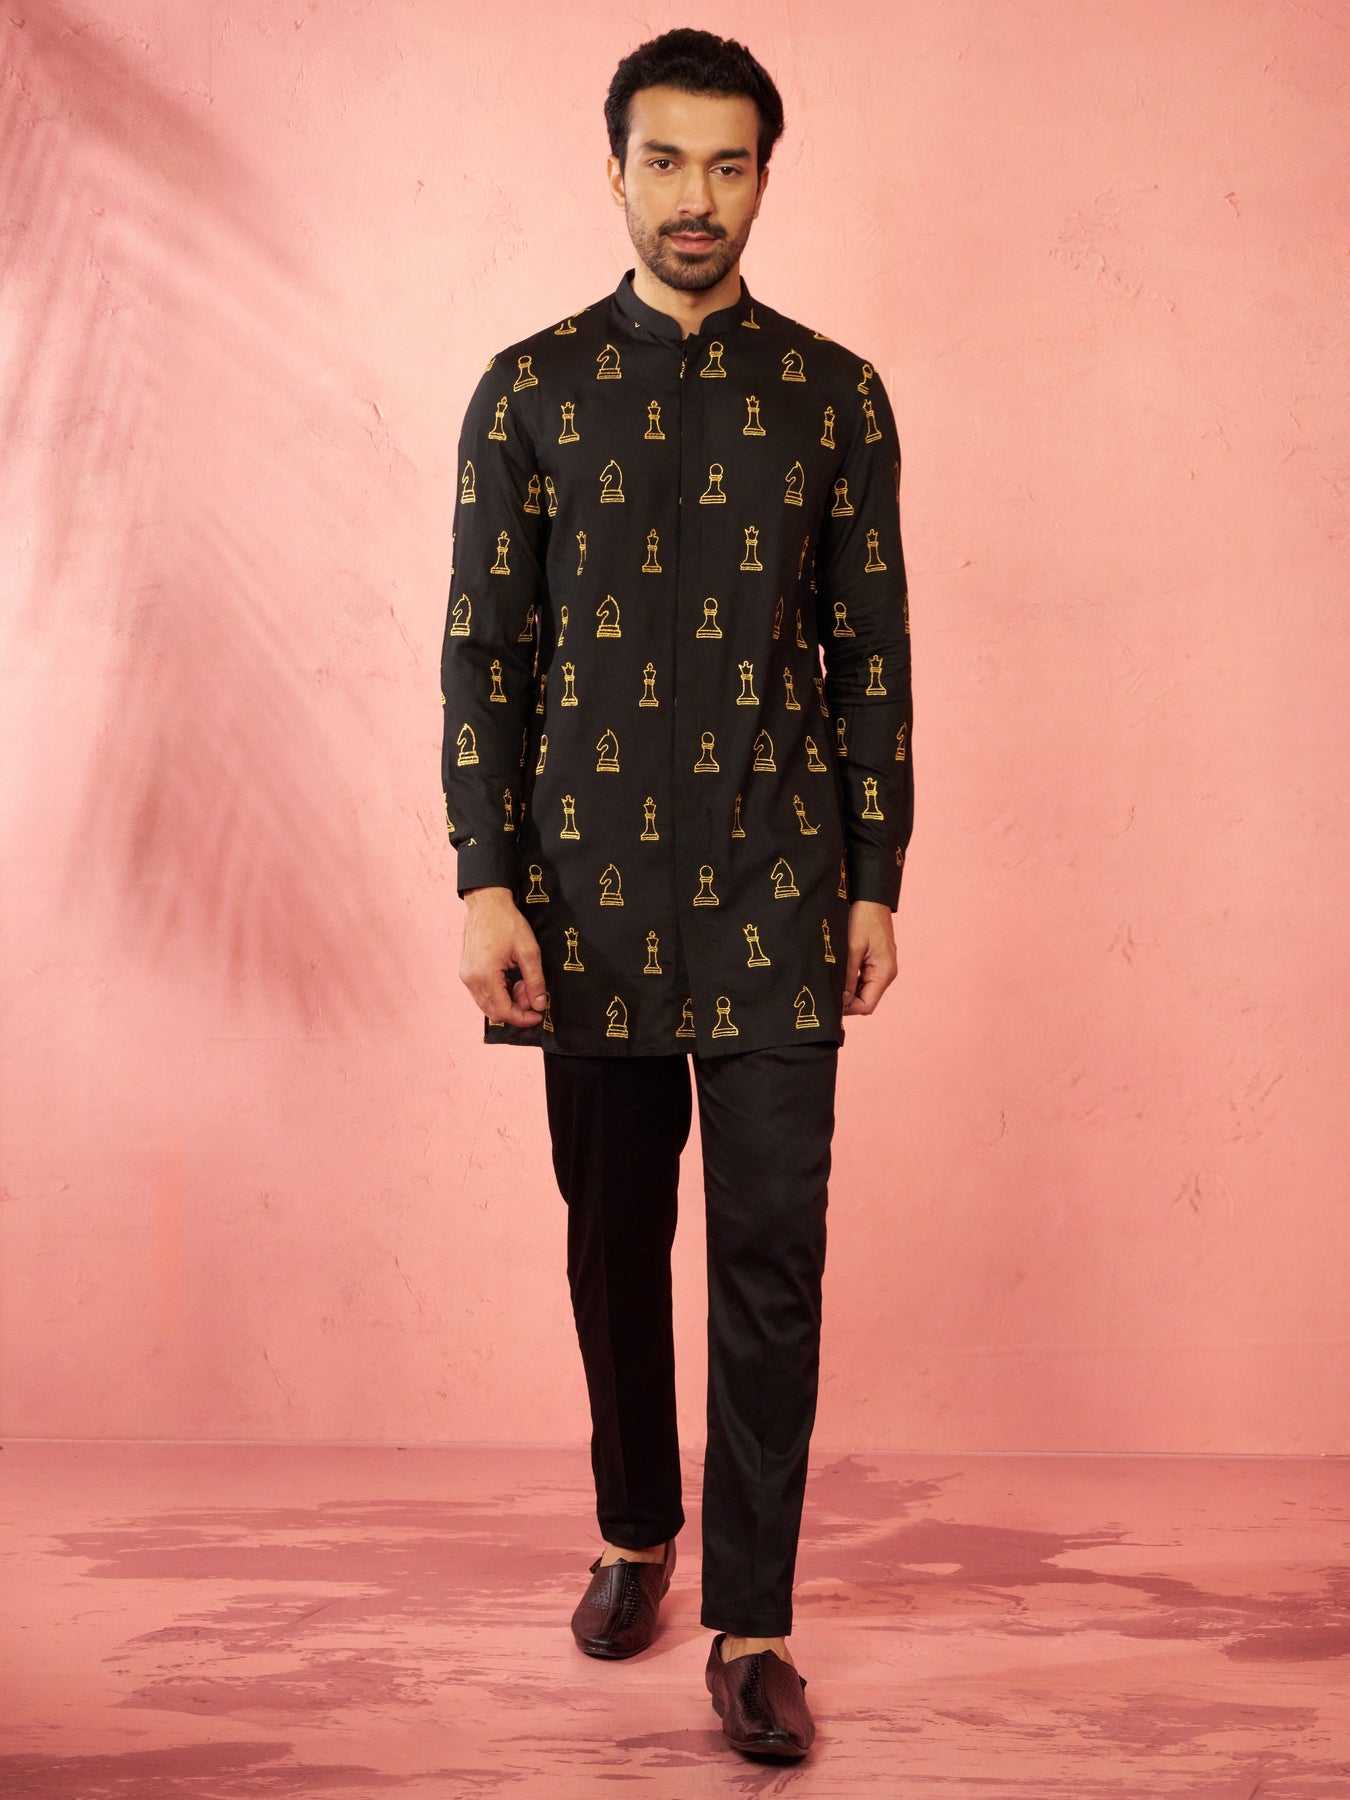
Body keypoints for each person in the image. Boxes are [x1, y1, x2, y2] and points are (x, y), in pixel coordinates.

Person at [439, 26, 913, 1761]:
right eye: (664, 161)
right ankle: (637, 1530)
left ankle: (754, 1625)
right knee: (612, 1240)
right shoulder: (529, 388)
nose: (693, 195)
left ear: (764, 177)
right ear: (614, 171)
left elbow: (870, 652)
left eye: (727, 162)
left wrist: (876, 877)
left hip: (782, 884)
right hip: (586, 894)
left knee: (770, 1251)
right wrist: (484, 881)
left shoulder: (834, 394)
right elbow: (485, 653)